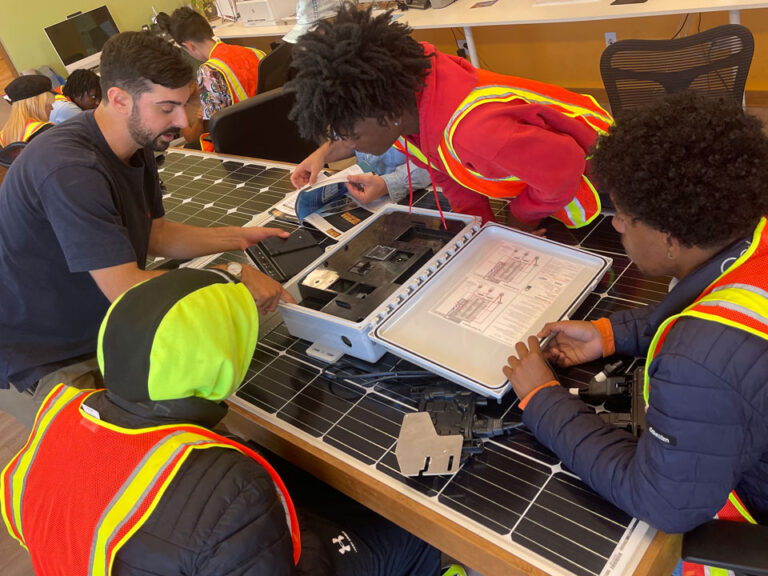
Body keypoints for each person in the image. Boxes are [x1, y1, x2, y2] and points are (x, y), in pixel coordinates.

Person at [0, 268, 443, 576]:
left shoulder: (59, 410)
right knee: (415, 525)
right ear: (216, 361)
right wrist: (302, 529)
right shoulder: (228, 481)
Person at [503, 92, 768, 544]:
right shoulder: (752, 234)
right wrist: (607, 334)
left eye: (624, 217)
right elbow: (721, 311)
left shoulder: (695, 364)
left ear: (670, 238)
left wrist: (544, 399)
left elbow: (662, 501)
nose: (617, 227)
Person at [0, 31, 293, 429]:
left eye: (186, 101)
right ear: (119, 99)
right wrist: (233, 276)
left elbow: (155, 234)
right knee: (115, 457)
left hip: (105, 317)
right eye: (167, 107)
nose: (185, 120)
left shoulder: (138, 141)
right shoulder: (70, 169)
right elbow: (125, 287)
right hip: (50, 350)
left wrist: (238, 237)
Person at [287, 4, 612, 232]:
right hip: (545, 178)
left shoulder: (474, 133)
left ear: (388, 115)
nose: (346, 145)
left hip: (602, 175)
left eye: (351, 136)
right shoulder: (411, 106)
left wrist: (518, 218)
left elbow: (563, 168)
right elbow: (446, 172)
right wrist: (482, 228)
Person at [156, 6, 265, 148]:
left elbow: (215, 125)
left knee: (189, 148)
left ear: (189, 46)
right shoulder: (255, 52)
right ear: (210, 30)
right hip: (271, 125)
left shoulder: (208, 72)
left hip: (244, 141)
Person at [291, 138, 431, 205]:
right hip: (370, 198)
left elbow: (436, 159)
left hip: (422, 194)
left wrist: (387, 184)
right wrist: (321, 155)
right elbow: (350, 139)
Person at [0, 75, 54, 146]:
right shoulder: (46, 131)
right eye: (48, 104)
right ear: (36, 105)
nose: (52, 108)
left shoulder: (4, 136)